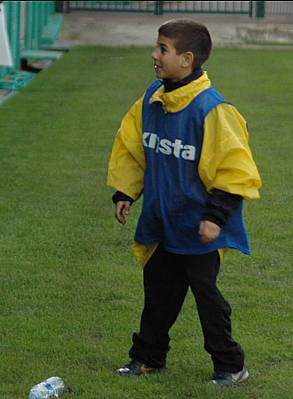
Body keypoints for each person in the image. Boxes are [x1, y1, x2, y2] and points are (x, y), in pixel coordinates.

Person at [107, 19, 262, 386]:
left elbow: (234, 169)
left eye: (163, 49)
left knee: (207, 298)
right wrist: (126, 191)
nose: (155, 55)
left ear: (186, 59)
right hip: (163, 221)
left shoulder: (212, 110)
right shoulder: (152, 98)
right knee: (158, 294)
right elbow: (133, 146)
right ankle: (147, 357)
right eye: (157, 47)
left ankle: (231, 365)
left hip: (200, 227)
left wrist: (215, 217)